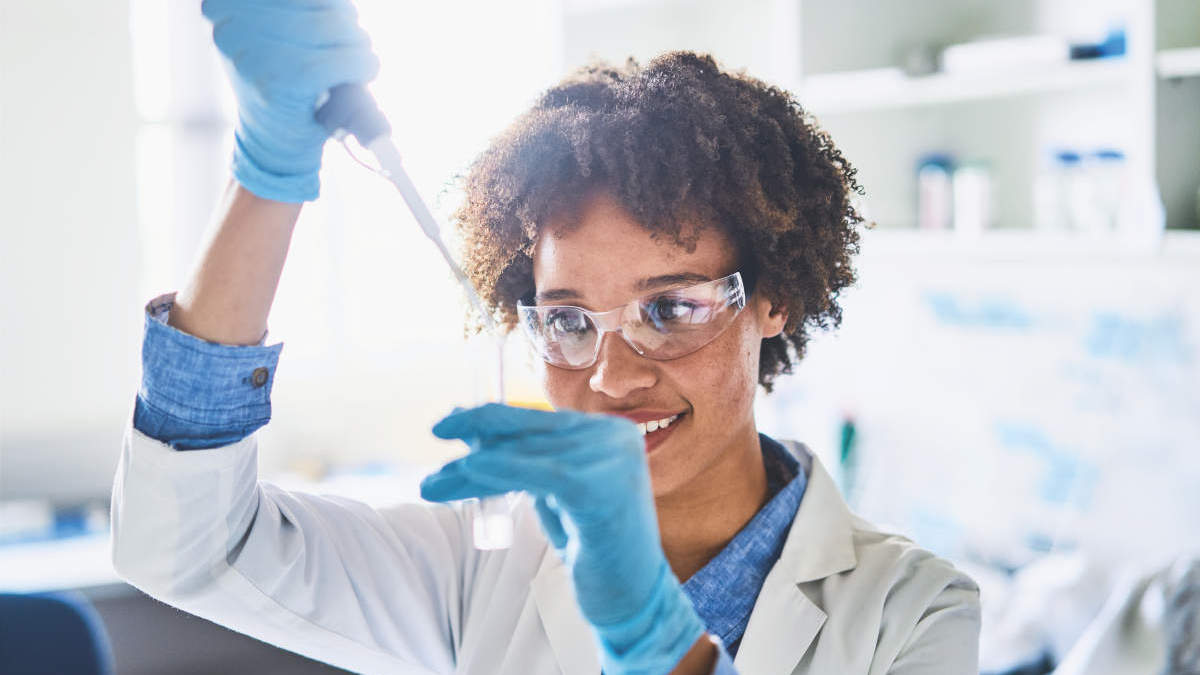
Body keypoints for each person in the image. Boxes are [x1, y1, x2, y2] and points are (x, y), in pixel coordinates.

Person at [111, 1, 981, 673]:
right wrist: (268, 169)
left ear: (774, 297)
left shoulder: (911, 611)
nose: (610, 378)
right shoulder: (478, 561)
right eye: (567, 319)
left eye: (669, 309)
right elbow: (183, 545)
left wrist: (650, 630)